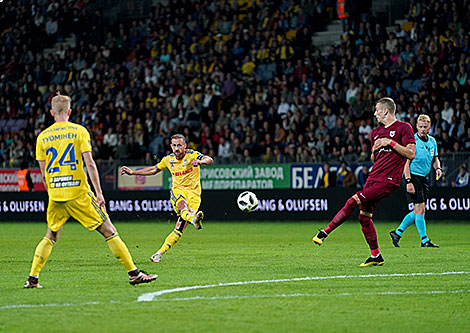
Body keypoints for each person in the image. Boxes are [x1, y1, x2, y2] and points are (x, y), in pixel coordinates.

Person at [24, 93, 157, 288]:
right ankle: (134, 273)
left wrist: (52, 193)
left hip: (56, 194)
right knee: (109, 230)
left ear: (51, 112)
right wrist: (99, 193)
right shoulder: (79, 131)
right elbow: (90, 163)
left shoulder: (42, 137)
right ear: (70, 111)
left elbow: (43, 175)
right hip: (78, 192)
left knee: (51, 235)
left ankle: (32, 279)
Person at [312, 97, 415, 266]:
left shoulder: (404, 128)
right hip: (373, 178)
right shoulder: (376, 133)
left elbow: (411, 154)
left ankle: (324, 232)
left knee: (352, 201)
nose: (375, 114)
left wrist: (390, 142)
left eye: (376, 110)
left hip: (388, 181)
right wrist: (374, 151)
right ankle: (376, 256)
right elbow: (376, 159)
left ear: (386, 111)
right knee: (364, 218)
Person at [120, 134, 213, 263]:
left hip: (195, 195)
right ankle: (193, 219)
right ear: (171, 146)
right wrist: (133, 173)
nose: (176, 148)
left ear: (185, 146)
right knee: (182, 207)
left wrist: (200, 162)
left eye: (179, 145)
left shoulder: (192, 155)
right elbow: (153, 170)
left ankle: (158, 253)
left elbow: (209, 159)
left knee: (179, 228)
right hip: (178, 191)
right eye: (174, 145)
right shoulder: (168, 160)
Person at [390, 115, 442, 248]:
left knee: (420, 210)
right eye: (420, 127)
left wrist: (438, 168)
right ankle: (424, 240)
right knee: (419, 210)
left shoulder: (432, 141)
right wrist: (408, 181)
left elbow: (435, 158)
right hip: (413, 177)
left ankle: (397, 232)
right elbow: (406, 163)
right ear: (416, 127)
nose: (423, 129)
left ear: (429, 127)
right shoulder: (412, 142)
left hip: (423, 178)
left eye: (425, 127)